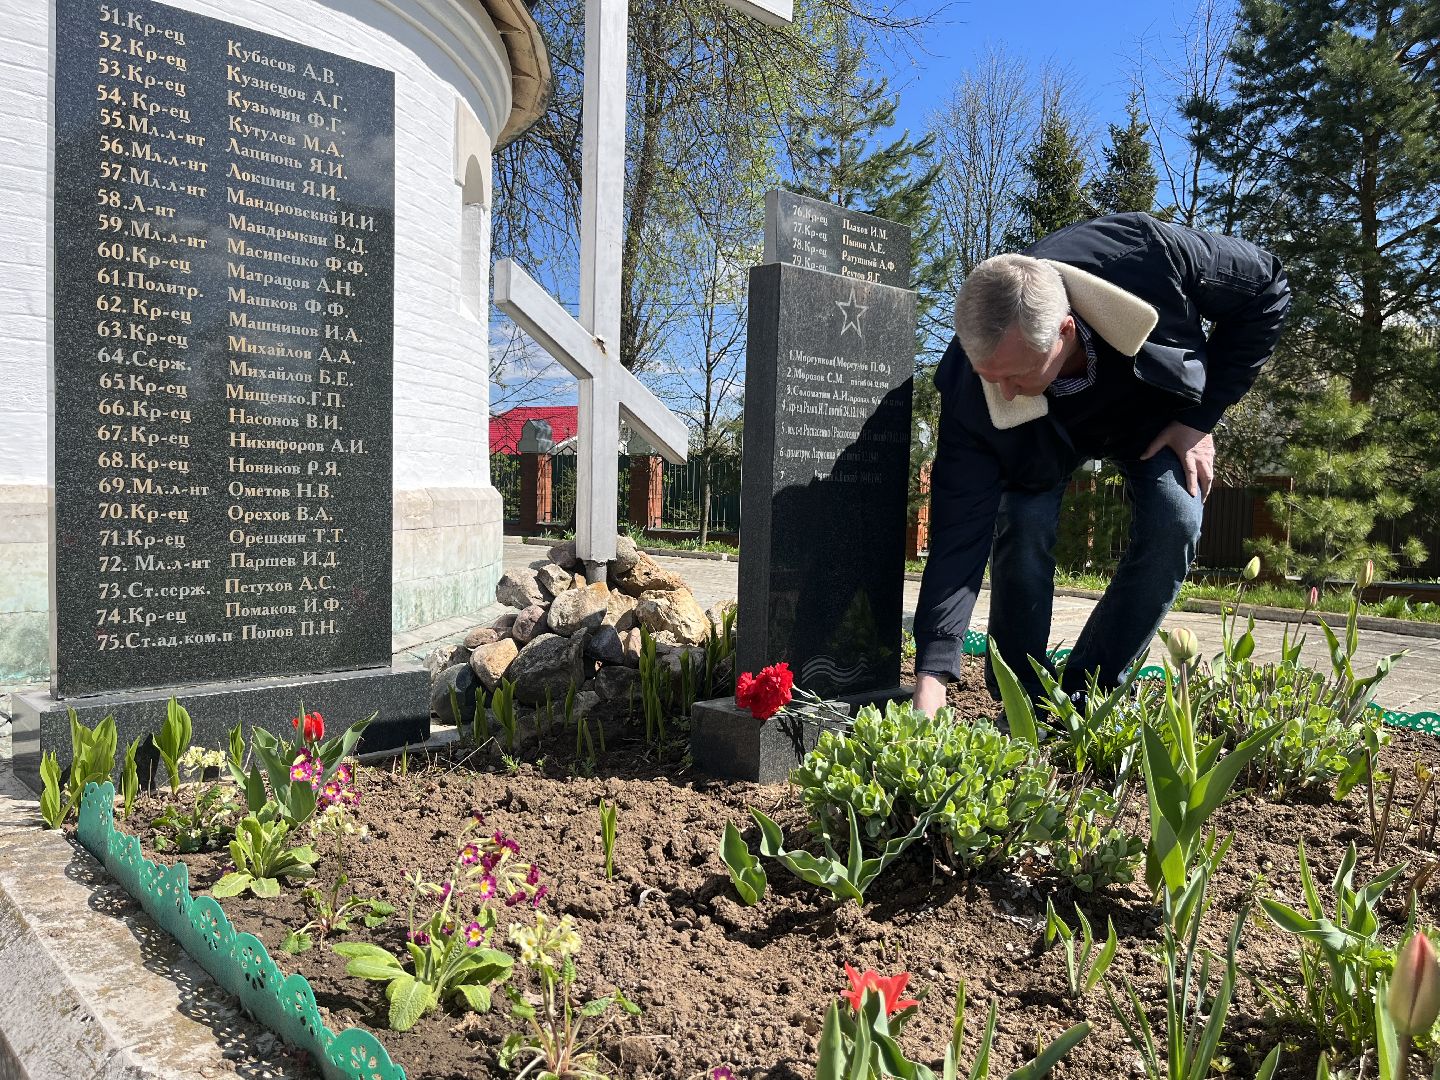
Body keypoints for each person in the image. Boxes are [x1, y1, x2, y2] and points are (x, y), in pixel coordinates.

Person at [911, 212, 1290, 716]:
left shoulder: (1146, 254)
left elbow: (1267, 288)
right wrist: (932, 676)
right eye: (989, 376)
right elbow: (959, 530)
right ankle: (1024, 705)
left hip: (1148, 412)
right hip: (1042, 437)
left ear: (1064, 331)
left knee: (1176, 519)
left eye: (1016, 374)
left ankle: (1087, 695)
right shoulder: (972, 384)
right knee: (1021, 523)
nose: (1001, 392)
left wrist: (1201, 417)